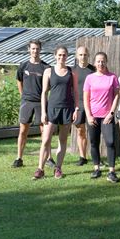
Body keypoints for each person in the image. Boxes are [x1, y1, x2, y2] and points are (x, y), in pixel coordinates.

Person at [33, 46, 78, 179]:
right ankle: (40, 169)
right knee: (46, 140)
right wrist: (43, 112)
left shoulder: (72, 72)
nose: (61, 57)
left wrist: (76, 109)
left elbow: (75, 92)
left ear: (67, 56)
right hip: (52, 109)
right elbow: (44, 92)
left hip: (67, 109)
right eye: (59, 55)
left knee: (62, 140)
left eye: (64, 55)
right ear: (55, 56)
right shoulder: (48, 71)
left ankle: (58, 168)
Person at [13, 40, 52, 168]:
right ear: (28, 49)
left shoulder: (46, 68)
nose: (35, 51)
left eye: (37, 49)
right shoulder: (23, 66)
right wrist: (22, 95)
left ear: (41, 49)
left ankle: (49, 158)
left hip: (41, 103)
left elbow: (50, 86)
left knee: (44, 131)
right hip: (26, 102)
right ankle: (19, 158)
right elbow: (19, 80)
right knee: (23, 130)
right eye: (33, 48)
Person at [84, 52, 120, 183]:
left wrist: (111, 113)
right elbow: (86, 98)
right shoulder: (89, 78)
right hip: (93, 117)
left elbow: (117, 95)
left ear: (106, 62)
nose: (101, 63)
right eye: (98, 61)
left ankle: (112, 171)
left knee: (110, 142)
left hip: (107, 117)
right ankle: (96, 168)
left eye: (103, 61)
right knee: (94, 143)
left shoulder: (112, 77)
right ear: (95, 63)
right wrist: (88, 115)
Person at [72, 46, 95, 166]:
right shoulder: (72, 71)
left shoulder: (94, 70)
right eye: (80, 55)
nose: (83, 57)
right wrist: (74, 107)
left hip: (93, 106)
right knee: (80, 131)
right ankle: (83, 157)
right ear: (77, 56)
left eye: (85, 54)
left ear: (88, 55)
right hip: (78, 106)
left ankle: (95, 157)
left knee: (93, 132)